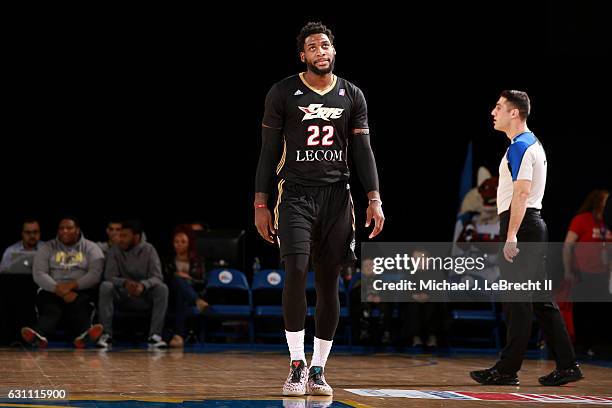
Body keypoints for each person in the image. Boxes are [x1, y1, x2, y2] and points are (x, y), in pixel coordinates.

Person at [253, 22, 384, 396]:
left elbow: (363, 152)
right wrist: (260, 203)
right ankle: (296, 364)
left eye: (325, 45)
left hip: (337, 196)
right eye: (313, 47)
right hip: (294, 194)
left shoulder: (352, 94)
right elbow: (266, 151)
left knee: (329, 282)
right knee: (295, 270)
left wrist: (374, 198)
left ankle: (319, 369)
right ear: (303, 56)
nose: (320, 51)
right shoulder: (282, 92)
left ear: (334, 51)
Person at [470, 90, 582, 386]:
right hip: (530, 226)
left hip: (524, 226)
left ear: (514, 113)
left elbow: (521, 193)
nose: (493, 112)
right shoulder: (529, 144)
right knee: (538, 301)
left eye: (498, 107)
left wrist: (510, 235)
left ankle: (507, 369)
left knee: (517, 301)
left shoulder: (521, 145)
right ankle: (568, 365)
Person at [21, 216, 104, 348]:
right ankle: (38, 336)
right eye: (61, 228)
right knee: (51, 310)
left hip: (80, 290)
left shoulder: (91, 248)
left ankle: (85, 335)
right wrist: (59, 289)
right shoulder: (47, 247)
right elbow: (39, 273)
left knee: (79, 306)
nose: (64, 231)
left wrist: (72, 286)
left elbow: (95, 274)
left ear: (77, 230)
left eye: (69, 228)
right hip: (51, 290)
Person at [97, 220, 168, 349]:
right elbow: (109, 276)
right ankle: (106, 334)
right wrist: (124, 283)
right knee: (105, 286)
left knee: (162, 289)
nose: (120, 239)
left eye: (124, 236)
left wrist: (143, 285)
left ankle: (155, 336)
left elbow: (158, 277)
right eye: (120, 235)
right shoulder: (115, 250)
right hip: (122, 296)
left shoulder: (149, 250)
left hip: (143, 296)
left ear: (136, 237)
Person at [563, 189, 611, 356]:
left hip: (603, 274)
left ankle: (598, 346)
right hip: (582, 273)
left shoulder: (607, 223)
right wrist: (568, 270)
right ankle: (581, 345)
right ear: (597, 202)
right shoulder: (581, 220)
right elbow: (568, 245)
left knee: (601, 312)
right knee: (583, 311)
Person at [164, 225, 208, 348]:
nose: (179, 244)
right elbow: (164, 280)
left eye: (183, 242)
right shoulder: (168, 261)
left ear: (189, 243)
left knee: (181, 295)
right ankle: (198, 301)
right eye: (176, 242)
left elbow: (203, 282)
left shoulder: (197, 261)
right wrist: (177, 276)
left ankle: (178, 336)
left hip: (188, 294)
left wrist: (190, 279)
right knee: (177, 280)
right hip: (171, 297)